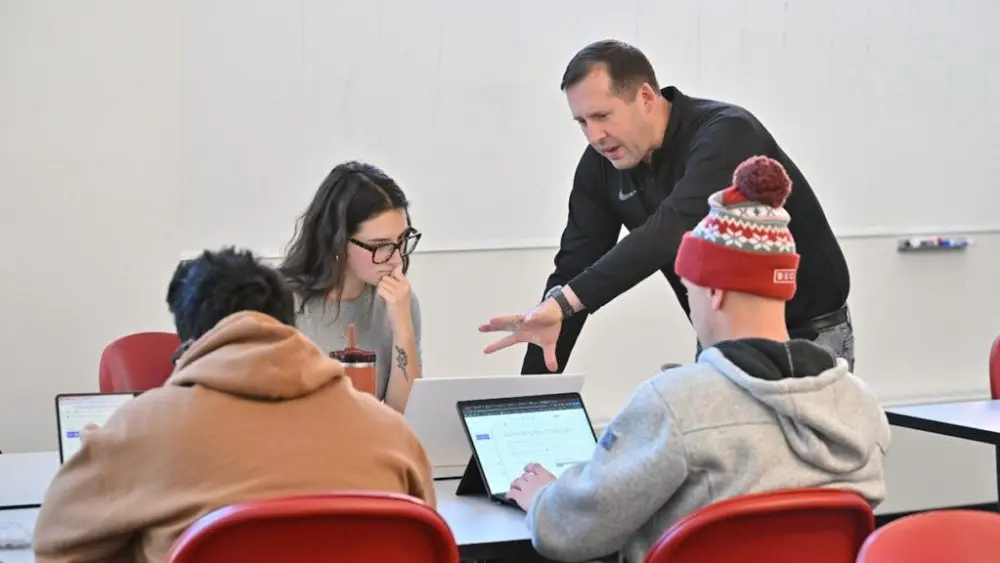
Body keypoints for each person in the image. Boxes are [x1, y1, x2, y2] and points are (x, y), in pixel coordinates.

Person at [502, 156, 889, 563]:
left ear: (715, 292)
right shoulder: (858, 404)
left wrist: (544, 497)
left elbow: (569, 533)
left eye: (689, 291)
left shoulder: (677, 402)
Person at [33, 247, 435, 563]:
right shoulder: (392, 436)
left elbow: (56, 549)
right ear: (287, 326)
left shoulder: (136, 431)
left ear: (190, 344)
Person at [480, 39, 854, 373]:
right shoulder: (600, 166)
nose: (594, 137)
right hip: (719, 337)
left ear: (645, 97)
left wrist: (564, 304)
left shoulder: (726, 132)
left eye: (602, 116)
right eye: (581, 122)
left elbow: (671, 230)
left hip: (810, 329)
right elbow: (575, 268)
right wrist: (524, 399)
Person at [280, 161, 423, 412]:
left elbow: (403, 418)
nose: (397, 258)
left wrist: (404, 330)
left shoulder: (400, 301)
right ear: (336, 243)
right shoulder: (279, 303)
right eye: (380, 245)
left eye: (402, 241)